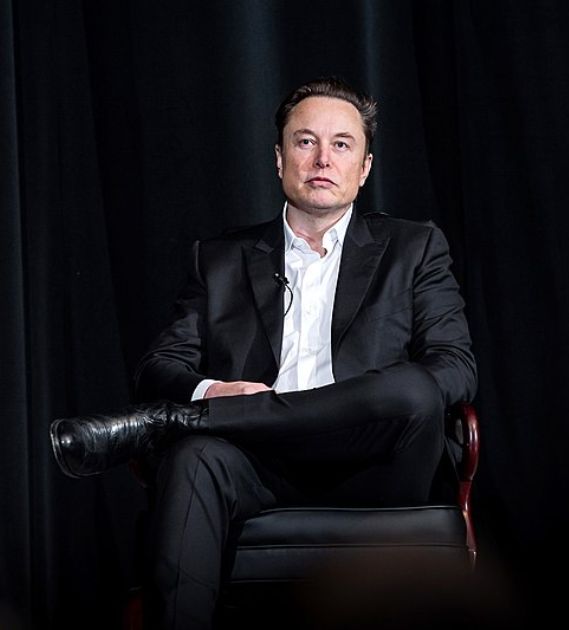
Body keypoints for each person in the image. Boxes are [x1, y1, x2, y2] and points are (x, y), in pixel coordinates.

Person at [48, 77, 476, 628]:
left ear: (365, 167)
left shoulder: (414, 247)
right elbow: (158, 368)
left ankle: (184, 420)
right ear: (279, 158)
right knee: (194, 458)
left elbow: (455, 368)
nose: (322, 158)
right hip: (260, 462)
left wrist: (219, 413)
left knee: (415, 387)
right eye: (305, 141)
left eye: (342, 144)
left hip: (377, 464)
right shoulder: (220, 259)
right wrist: (214, 390)